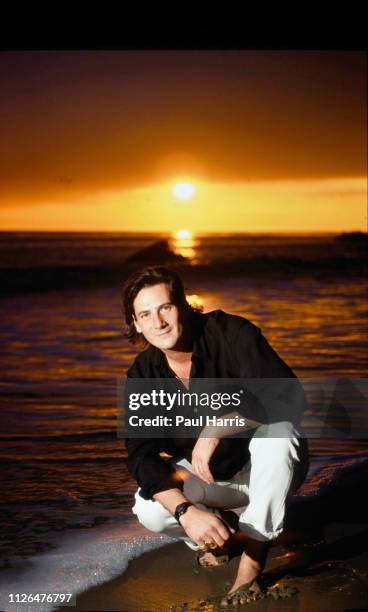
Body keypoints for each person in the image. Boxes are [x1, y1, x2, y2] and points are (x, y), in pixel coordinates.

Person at [122, 266, 309, 605]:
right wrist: (186, 514)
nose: (158, 322)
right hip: (209, 482)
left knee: (281, 435)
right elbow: (140, 454)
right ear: (136, 323)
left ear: (184, 304)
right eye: (145, 314)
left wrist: (218, 428)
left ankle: (252, 563)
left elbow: (289, 397)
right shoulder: (142, 373)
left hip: (264, 472)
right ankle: (216, 536)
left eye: (165, 307)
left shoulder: (231, 333)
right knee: (149, 508)